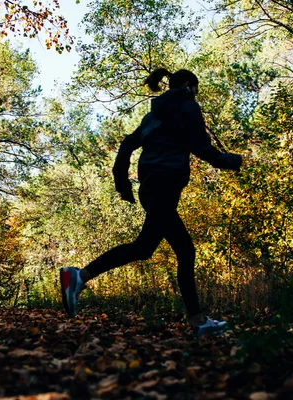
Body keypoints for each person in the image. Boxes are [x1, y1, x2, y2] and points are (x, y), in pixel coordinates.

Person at [60, 68, 242, 337]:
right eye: (196, 89)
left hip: (151, 189)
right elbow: (202, 147)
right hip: (164, 186)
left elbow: (127, 145)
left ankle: (80, 276)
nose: (195, 94)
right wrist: (232, 161)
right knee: (185, 250)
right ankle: (199, 321)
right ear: (189, 86)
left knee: (144, 248)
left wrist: (123, 182)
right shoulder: (188, 106)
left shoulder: (151, 116)